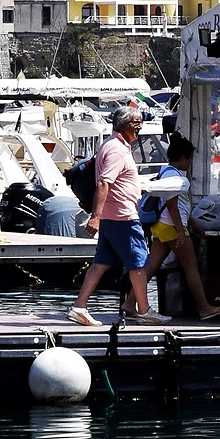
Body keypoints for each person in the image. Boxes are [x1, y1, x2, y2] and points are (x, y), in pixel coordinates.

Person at [69, 108, 160, 326]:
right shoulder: (117, 150)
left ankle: (79, 307)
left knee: (101, 263)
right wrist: (95, 217)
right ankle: (144, 311)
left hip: (112, 216)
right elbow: (104, 182)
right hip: (122, 217)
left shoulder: (111, 145)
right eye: (136, 122)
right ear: (123, 124)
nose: (139, 126)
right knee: (138, 264)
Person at [141, 133, 220, 320]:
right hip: (172, 227)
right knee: (191, 266)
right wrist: (181, 231)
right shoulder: (174, 177)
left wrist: (194, 224)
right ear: (182, 157)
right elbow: (172, 205)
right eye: (189, 159)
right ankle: (204, 307)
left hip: (162, 226)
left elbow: (181, 205)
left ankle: (130, 302)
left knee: (151, 267)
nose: (189, 163)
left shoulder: (165, 172)